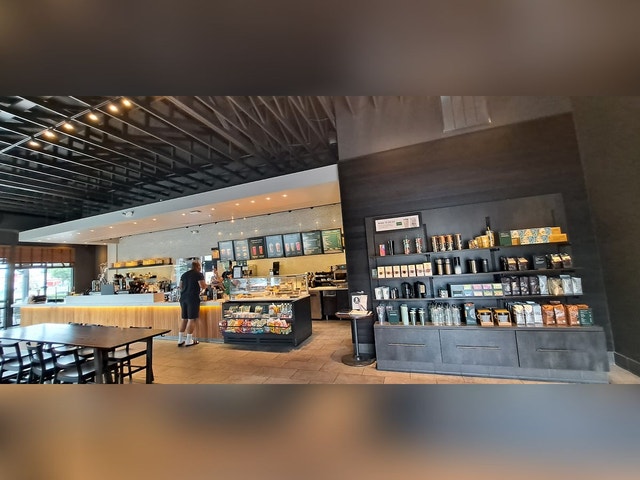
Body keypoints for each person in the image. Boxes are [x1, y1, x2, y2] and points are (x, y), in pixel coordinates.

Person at [178, 260, 207, 347]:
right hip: (192, 298)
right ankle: (189, 340)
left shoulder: (184, 274)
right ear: (198, 266)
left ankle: (180, 340)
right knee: (191, 319)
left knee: (184, 319)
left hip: (183, 298)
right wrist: (207, 286)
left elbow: (180, 286)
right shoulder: (198, 274)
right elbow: (202, 286)